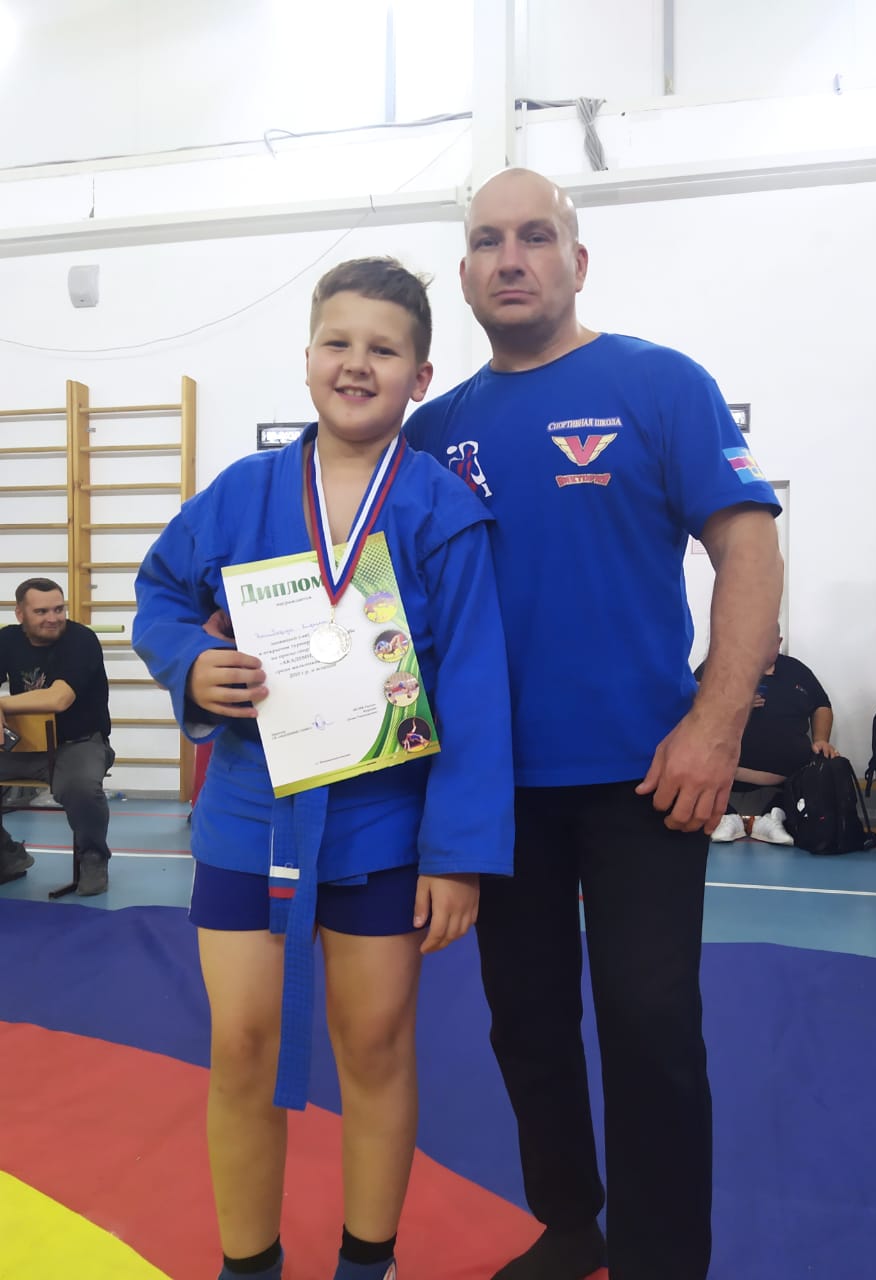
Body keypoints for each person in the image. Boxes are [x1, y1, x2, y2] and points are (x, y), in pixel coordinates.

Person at [405, 168, 783, 1280]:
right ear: (465, 273)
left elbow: (748, 547)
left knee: (649, 1021)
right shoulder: (433, 431)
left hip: (647, 774)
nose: (510, 257)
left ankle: (663, 1259)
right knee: (523, 1020)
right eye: (488, 240)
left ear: (578, 261)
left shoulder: (660, 383)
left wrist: (717, 724)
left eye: (535, 236)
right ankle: (570, 1223)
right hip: (494, 785)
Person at [132, 257, 514, 1280]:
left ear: (420, 376)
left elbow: (476, 689)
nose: (356, 364)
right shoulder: (241, 493)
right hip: (249, 812)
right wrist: (190, 659)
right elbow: (159, 592)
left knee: (376, 1045)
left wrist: (458, 853)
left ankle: (365, 1263)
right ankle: (248, 1264)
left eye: (383, 349)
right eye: (338, 342)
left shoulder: (441, 510)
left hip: (384, 825)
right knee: (241, 1044)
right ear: (307, 358)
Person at [0, 577, 113, 894]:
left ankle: (93, 857)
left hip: (79, 743)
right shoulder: (7, 639)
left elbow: (58, 698)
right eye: (41, 611)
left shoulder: (81, 640)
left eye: (58, 609)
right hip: (24, 745)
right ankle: (7, 855)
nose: (53, 618)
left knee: (80, 788)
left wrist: (1, 704)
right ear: (20, 614)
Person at [697, 627, 837, 845]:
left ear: (778, 642)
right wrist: (732, 704)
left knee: (825, 766)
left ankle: (773, 816)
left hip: (790, 773)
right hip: (726, 767)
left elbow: (821, 705)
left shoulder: (797, 671)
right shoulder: (720, 665)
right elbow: (692, 697)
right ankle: (727, 815)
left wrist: (821, 739)